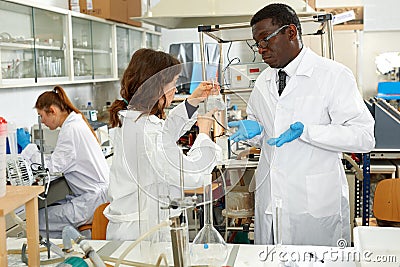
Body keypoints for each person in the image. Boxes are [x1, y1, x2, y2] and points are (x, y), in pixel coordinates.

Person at [228, 3, 375, 246]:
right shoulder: (264, 79)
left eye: (266, 39)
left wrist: (307, 132)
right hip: (271, 203)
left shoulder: (333, 75)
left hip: (313, 206)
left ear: (291, 33)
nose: (261, 49)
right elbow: (264, 130)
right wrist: (253, 132)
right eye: (257, 43)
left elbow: (364, 137)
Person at [104, 48, 221, 240]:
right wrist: (204, 133)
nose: (175, 90)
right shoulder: (147, 132)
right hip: (143, 234)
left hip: (133, 228)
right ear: (158, 88)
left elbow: (165, 133)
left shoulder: (133, 118)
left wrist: (193, 102)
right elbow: (190, 176)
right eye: (174, 84)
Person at [18, 86, 109, 238]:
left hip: (91, 203)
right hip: (94, 198)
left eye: (41, 115)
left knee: (35, 220)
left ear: (52, 111)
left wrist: (28, 148)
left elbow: (50, 167)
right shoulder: (75, 123)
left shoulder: (70, 129)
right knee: (49, 211)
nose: (42, 121)